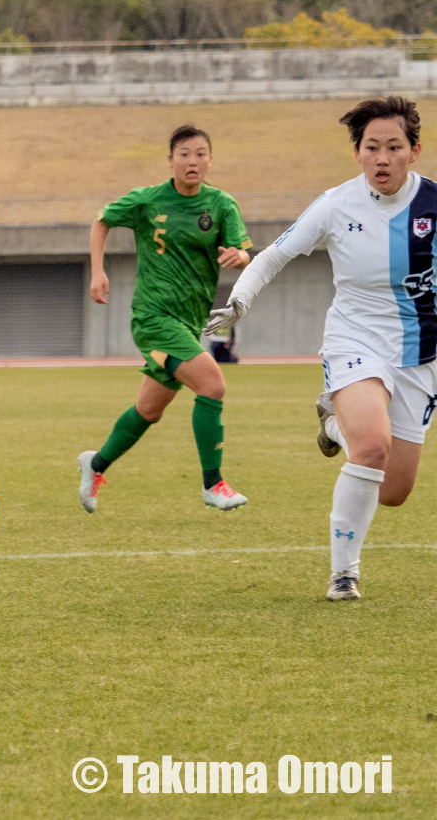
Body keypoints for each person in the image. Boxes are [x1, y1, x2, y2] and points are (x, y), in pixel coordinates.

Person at [206, 96, 428, 601]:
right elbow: (272, 257)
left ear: (414, 151)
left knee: (393, 491)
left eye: (394, 147)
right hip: (355, 339)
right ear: (357, 152)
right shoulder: (335, 204)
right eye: (371, 147)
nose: (382, 158)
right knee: (372, 447)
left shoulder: (433, 207)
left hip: (419, 354)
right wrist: (239, 301)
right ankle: (343, 574)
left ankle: (332, 424)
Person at [79, 125, 253, 514]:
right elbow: (102, 220)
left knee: (149, 410)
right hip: (154, 319)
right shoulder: (149, 200)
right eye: (185, 154)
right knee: (212, 385)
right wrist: (97, 271)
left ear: (210, 159)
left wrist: (237, 258)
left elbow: (244, 251)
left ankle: (95, 465)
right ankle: (214, 484)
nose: (193, 161)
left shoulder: (221, 205)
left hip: (190, 322)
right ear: (171, 160)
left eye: (201, 153)